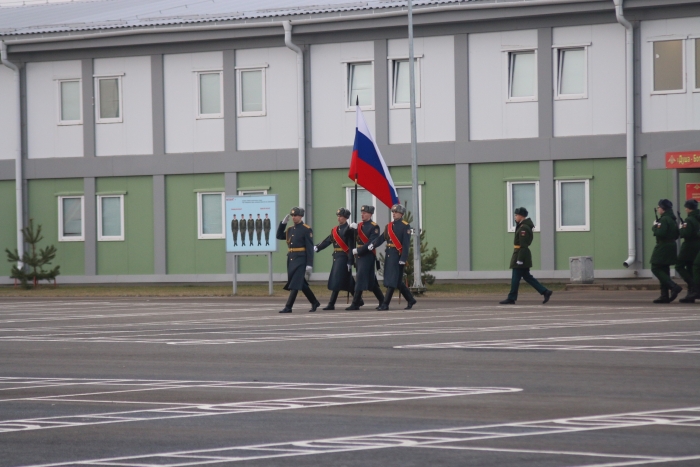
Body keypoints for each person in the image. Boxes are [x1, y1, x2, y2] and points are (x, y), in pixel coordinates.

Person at [499, 207, 553, 305]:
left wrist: (519, 259)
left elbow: (523, 245)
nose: (515, 217)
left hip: (521, 255)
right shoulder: (522, 226)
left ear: (521, 216)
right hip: (520, 254)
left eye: (516, 215)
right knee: (527, 277)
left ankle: (511, 298)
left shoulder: (523, 228)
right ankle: (545, 291)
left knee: (515, 278)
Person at [371, 204, 417, 311]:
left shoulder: (405, 226)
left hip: (397, 256)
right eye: (393, 212)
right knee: (396, 281)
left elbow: (406, 244)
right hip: (389, 254)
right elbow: (382, 238)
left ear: (401, 214)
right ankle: (410, 299)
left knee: (392, 280)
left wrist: (403, 259)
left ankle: (385, 304)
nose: (394, 214)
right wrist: (373, 244)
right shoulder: (389, 226)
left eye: (396, 212)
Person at [276, 207, 320, 313]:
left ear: (301, 216)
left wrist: (309, 263)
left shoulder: (306, 229)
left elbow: (309, 248)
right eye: (292, 216)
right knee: (301, 283)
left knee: (295, 283)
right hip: (291, 258)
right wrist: (283, 224)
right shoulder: (290, 229)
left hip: (301, 259)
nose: (293, 217)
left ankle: (288, 306)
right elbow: (278, 236)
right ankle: (314, 302)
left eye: (295, 215)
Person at [314, 208, 356, 310]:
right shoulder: (335, 230)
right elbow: (328, 240)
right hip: (336, 256)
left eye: (341, 216)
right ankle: (358, 300)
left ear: (345, 218)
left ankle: (331, 303)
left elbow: (351, 246)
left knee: (337, 280)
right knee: (348, 281)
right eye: (338, 216)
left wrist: (350, 261)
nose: (339, 218)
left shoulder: (349, 229)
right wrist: (318, 247)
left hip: (344, 257)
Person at [346, 205, 385, 310]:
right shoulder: (358, 226)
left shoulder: (374, 226)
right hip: (359, 256)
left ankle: (355, 303)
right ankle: (382, 300)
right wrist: (350, 229)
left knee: (360, 278)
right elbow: (348, 237)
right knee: (371, 281)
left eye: (365, 213)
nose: (362, 214)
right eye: (361, 213)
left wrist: (358, 250)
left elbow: (372, 242)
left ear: (370, 214)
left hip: (367, 255)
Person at [651, 199, 681, 303]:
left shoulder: (664, 220)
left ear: (663, 209)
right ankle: (664, 296)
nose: (658, 209)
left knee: (655, 267)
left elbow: (661, 233)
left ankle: (673, 286)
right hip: (671, 245)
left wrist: (654, 227)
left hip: (663, 246)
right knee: (664, 269)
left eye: (659, 207)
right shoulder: (672, 219)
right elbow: (677, 234)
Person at [677, 200, 700, 303]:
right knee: (691, 267)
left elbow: (685, 234)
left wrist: (681, 229)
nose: (685, 209)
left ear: (689, 208)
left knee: (679, 266)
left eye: (686, 207)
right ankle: (691, 293)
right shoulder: (698, 217)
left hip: (689, 245)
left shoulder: (689, 219)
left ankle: (694, 287)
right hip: (697, 245)